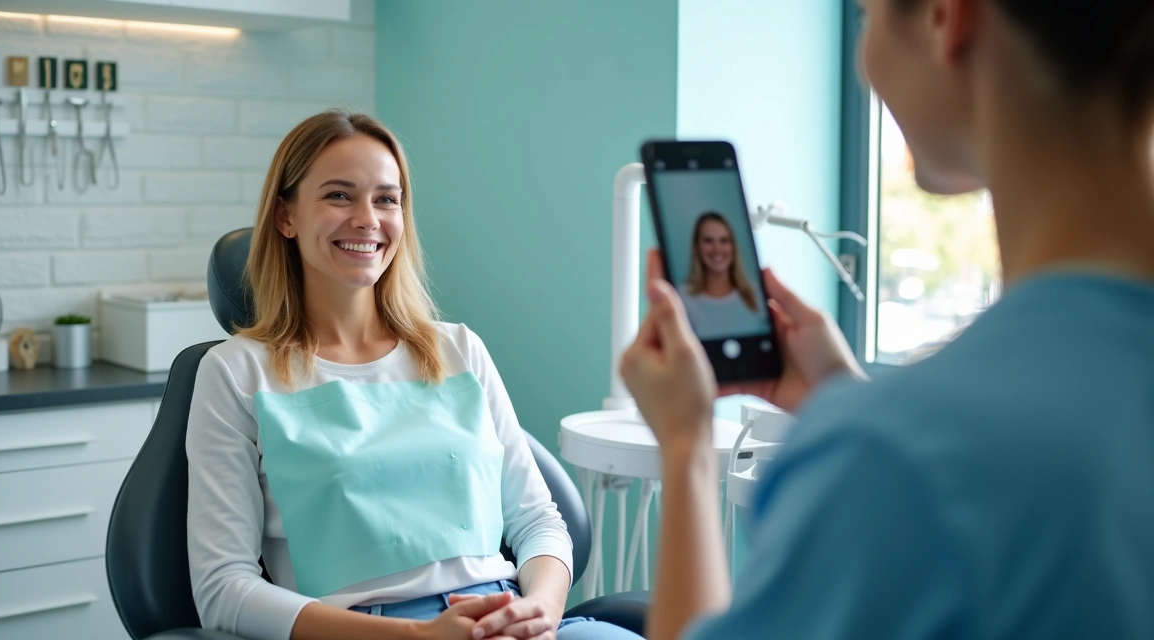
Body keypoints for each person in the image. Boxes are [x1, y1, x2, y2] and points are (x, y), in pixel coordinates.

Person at [620, 0, 1154, 638]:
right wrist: (843, 399)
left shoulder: (894, 459)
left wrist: (686, 447)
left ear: (946, 18)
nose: (863, 62)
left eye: (867, 14)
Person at [186, 111, 642, 640]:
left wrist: (539, 609)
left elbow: (538, 520)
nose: (367, 219)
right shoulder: (236, 372)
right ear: (286, 216)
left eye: (386, 199)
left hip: (507, 616)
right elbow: (223, 589)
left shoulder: (458, 349)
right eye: (339, 196)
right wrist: (420, 638)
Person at [676, 212, 767, 339]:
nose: (717, 249)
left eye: (724, 240)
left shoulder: (757, 293)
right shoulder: (681, 298)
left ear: (733, 246)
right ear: (697, 246)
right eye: (708, 241)